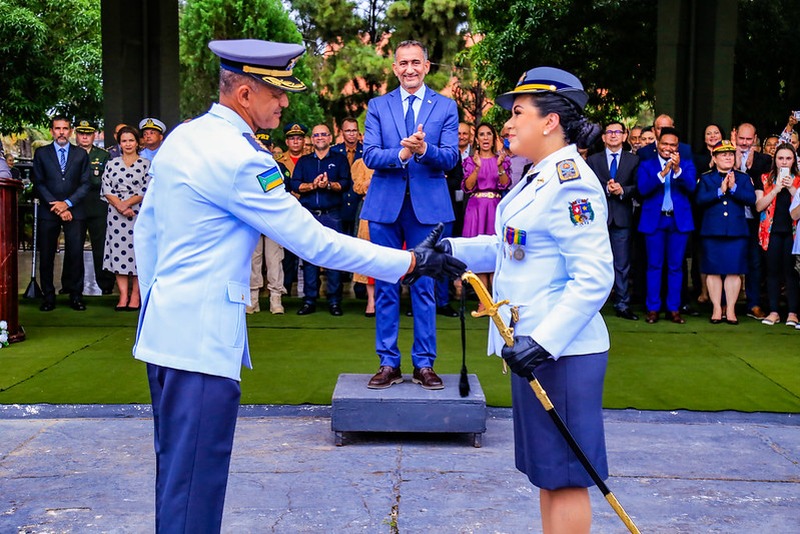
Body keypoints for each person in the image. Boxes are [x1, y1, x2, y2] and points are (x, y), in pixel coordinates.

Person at [132, 39, 465, 533]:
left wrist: (156, 307)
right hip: (200, 347)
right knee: (194, 494)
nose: (285, 102)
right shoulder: (244, 159)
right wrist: (411, 260)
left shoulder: (184, 137)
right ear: (245, 94)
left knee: (176, 483)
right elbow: (316, 243)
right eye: (278, 92)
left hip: (163, 337)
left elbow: (148, 231)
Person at [443, 67, 613, 533]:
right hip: (532, 351)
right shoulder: (537, 178)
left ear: (550, 121)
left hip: (561, 353)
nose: (508, 123)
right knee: (547, 473)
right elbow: (508, 245)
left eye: (518, 112)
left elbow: (594, 278)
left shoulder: (572, 181)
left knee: (567, 478)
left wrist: (544, 341)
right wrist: (448, 251)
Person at [360, 40, 459, 390]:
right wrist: (402, 153)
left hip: (428, 210)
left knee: (425, 287)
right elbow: (370, 155)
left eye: (415, 62)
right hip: (385, 206)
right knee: (386, 284)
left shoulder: (446, 107)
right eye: (403, 63)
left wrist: (425, 150)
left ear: (427, 66)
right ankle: (388, 363)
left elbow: (450, 158)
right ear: (394, 68)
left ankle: (424, 364)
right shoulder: (377, 106)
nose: (409, 69)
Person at [290, 123, 352, 316]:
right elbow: (295, 184)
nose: (319, 138)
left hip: (332, 215)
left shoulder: (340, 160)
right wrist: (312, 185)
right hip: (309, 215)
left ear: (330, 138)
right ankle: (309, 300)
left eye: (323, 134)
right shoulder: (304, 161)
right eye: (316, 135)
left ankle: (334, 301)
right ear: (312, 139)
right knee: (309, 258)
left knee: (333, 257)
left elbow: (345, 184)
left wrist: (328, 185)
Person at [637, 126, 697, 324]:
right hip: (654, 221)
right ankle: (653, 308)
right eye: (665, 144)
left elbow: (691, 187)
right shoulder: (646, 164)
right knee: (654, 265)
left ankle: (674, 308)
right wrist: (663, 173)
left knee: (675, 267)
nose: (668, 148)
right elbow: (643, 189)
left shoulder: (686, 165)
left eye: (673, 145)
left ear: (677, 147)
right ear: (657, 144)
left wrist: (677, 170)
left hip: (678, 221)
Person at [32, 116, 91, 312]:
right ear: (51, 131)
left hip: (75, 211)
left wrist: (67, 204)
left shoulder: (80, 154)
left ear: (71, 131)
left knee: (75, 254)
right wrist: (56, 206)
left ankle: (76, 296)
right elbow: (39, 182)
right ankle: (48, 297)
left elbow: (85, 183)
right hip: (49, 212)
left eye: (65, 128)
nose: (61, 132)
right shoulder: (41, 153)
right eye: (58, 128)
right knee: (47, 255)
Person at [695, 141, 756, 324]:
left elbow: (751, 199)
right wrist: (720, 191)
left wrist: (734, 188)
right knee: (713, 272)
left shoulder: (743, 178)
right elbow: (699, 200)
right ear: (714, 158)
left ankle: (730, 310)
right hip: (712, 231)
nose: (728, 157)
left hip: (736, 232)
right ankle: (716, 308)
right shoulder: (706, 178)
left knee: (734, 272)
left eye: (730, 154)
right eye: (723, 154)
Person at [587, 121, 640, 320]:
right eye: (609, 132)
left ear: (625, 136)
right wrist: (606, 187)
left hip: (622, 217)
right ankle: (593, 305)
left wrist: (623, 190)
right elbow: (587, 185)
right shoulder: (593, 160)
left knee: (622, 264)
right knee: (595, 262)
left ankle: (622, 304)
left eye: (617, 132)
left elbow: (639, 187)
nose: (613, 135)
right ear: (603, 137)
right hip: (598, 219)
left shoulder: (633, 160)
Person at [101, 125, 151, 311]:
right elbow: (106, 189)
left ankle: (136, 296)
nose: (128, 144)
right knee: (119, 255)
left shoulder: (146, 164)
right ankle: (123, 296)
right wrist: (120, 206)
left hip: (139, 213)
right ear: (119, 143)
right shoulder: (111, 164)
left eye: (131, 140)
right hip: (116, 216)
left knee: (138, 254)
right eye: (124, 141)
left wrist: (128, 204)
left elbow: (146, 189)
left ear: (138, 142)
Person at [461, 122, 511, 298]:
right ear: (477, 139)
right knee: (479, 251)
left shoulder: (503, 160)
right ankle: (484, 300)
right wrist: (477, 167)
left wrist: (498, 166)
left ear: (494, 137)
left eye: (489, 134)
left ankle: (495, 297)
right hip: (476, 208)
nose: (485, 138)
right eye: (481, 134)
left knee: (496, 250)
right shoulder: (470, 161)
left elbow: (505, 184)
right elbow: (468, 186)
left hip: (495, 207)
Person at [755, 143, 800, 326]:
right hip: (771, 232)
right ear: (775, 159)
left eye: (788, 158)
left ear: (794, 160)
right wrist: (775, 188)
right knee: (772, 272)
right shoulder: (765, 178)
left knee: (791, 273)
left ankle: (793, 313)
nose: (784, 162)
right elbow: (759, 206)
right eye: (780, 158)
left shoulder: (798, 179)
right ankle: (773, 311)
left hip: (793, 233)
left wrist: (791, 188)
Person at [247, 129, 288, 315]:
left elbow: (276, 193)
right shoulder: (246, 166)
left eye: (265, 145)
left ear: (271, 147)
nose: (262, 148)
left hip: (272, 221)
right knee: (253, 261)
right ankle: (252, 300)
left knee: (274, 261)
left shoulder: (276, 166)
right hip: (253, 221)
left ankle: (275, 299)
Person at [74, 119, 115, 295]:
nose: (85, 136)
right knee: (74, 247)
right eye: (81, 133)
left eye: (88, 133)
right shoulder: (71, 154)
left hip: (97, 204)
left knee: (100, 246)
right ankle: (71, 285)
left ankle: (106, 284)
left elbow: (105, 180)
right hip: (75, 204)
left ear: (94, 135)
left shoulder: (103, 155)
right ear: (76, 135)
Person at [736, 122, 772, 321]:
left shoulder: (764, 160)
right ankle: (725, 304)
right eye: (741, 138)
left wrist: (750, 168)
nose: (745, 143)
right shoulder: (724, 155)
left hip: (755, 220)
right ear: (735, 137)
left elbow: (765, 180)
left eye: (749, 139)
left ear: (755, 138)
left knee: (755, 262)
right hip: (731, 218)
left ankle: (754, 304)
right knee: (731, 260)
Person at [331, 116, 364, 237]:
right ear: (342, 132)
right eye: (348, 131)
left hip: (359, 203)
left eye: (354, 130)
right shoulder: (333, 152)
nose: (351, 134)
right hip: (338, 204)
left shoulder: (366, 152)